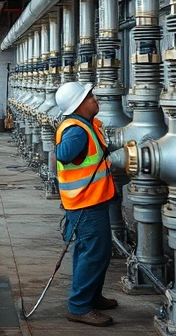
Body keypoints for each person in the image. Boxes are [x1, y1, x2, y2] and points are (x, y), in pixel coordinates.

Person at [54, 81, 118, 327]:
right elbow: (64, 153)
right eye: (90, 96)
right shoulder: (77, 130)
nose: (94, 99)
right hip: (85, 204)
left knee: (92, 253)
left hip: (92, 200)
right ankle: (79, 307)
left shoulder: (87, 126)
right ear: (79, 104)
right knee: (93, 254)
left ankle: (91, 297)